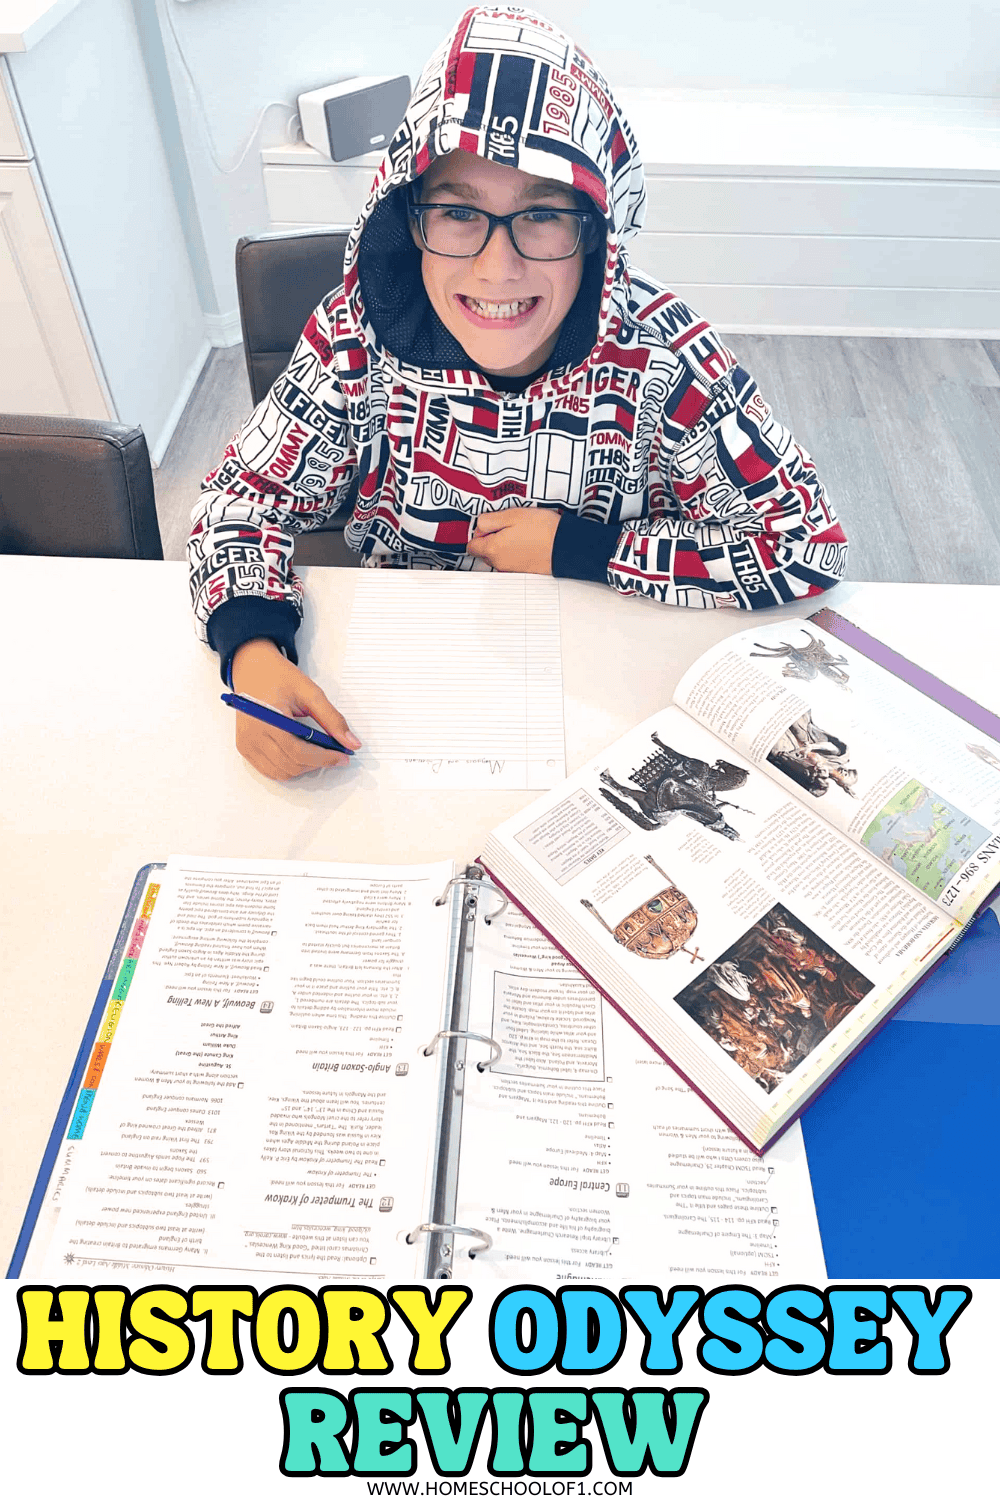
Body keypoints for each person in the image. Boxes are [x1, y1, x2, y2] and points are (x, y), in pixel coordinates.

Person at [189, 4, 848, 782]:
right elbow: (237, 504)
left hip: (605, 705)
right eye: (461, 212)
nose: (497, 268)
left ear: (597, 228)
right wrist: (253, 647)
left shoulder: (669, 361)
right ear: (408, 217)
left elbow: (806, 544)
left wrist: (583, 548)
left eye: (540, 214)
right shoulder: (353, 337)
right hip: (391, 710)